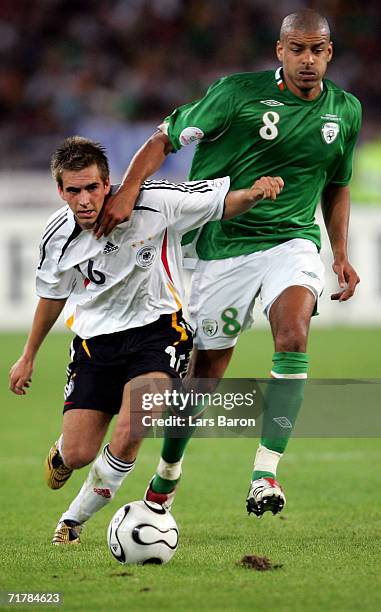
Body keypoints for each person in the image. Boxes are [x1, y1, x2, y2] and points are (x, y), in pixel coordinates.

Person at [93, 8, 361, 517]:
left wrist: (340, 254)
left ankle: (265, 474)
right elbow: (163, 139)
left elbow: (338, 183)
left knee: (293, 335)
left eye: (317, 50)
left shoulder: (345, 110)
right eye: (297, 49)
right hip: (221, 250)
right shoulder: (235, 94)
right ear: (279, 51)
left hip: (292, 241)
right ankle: (167, 476)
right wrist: (129, 191)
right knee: (205, 375)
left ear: (329, 53)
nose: (308, 60)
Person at [9, 135, 283, 543]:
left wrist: (256, 193)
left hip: (159, 330)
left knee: (135, 425)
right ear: (60, 191)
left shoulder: (154, 201)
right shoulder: (57, 235)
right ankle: (64, 453)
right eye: (73, 190)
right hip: (94, 342)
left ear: (108, 184)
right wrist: (27, 355)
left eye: (92, 188)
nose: (85, 200)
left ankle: (72, 520)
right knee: (80, 452)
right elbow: (52, 296)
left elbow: (220, 203)